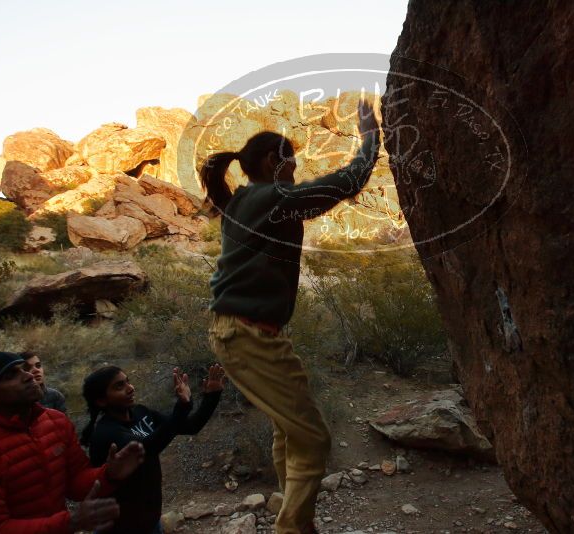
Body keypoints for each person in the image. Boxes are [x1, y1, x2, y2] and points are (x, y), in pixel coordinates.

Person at [202, 99, 381, 533]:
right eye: (292, 165)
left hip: (247, 333)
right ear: (272, 161)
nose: (295, 174)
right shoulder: (271, 197)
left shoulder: (243, 199)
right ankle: (293, 529)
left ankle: (295, 520)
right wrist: (370, 137)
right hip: (248, 336)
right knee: (314, 437)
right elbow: (344, 183)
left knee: (289, 428)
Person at [0, 351, 145, 533]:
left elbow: (76, 481)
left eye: (23, 369)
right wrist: (70, 522)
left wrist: (108, 474)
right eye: (11, 376)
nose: (28, 376)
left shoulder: (56, 422)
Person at [82, 363, 225, 534]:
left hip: (149, 521)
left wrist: (212, 395)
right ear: (101, 400)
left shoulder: (140, 412)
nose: (130, 388)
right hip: (118, 528)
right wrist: (182, 406)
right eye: (119, 386)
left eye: (128, 381)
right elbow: (148, 448)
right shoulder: (106, 432)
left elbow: (189, 426)